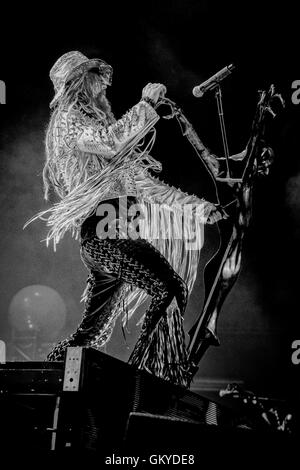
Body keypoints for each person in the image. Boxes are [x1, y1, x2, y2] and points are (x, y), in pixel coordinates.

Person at [25, 51, 226, 387]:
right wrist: (146, 105)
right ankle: (147, 377)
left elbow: (152, 188)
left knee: (94, 331)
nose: (103, 85)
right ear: (79, 82)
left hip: (111, 237)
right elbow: (110, 140)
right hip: (107, 234)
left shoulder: (110, 152)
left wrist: (204, 209)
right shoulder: (68, 120)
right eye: (94, 77)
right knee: (170, 287)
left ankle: (48, 377)